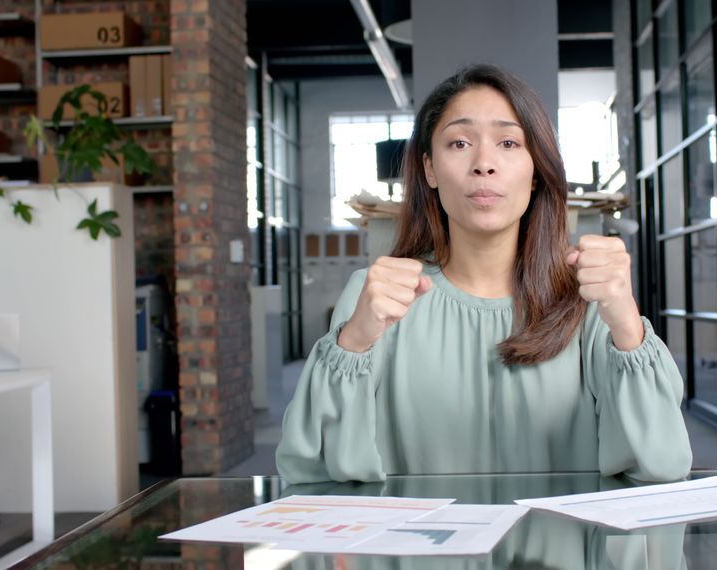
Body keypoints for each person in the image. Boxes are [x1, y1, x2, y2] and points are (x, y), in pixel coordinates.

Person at [276, 64, 691, 484]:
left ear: (535, 172)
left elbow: (661, 465)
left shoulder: (590, 300)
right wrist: (355, 342)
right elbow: (309, 471)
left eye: (508, 142)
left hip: (563, 548)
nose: (484, 164)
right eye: (459, 142)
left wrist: (625, 321)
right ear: (430, 170)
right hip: (422, 550)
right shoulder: (374, 297)